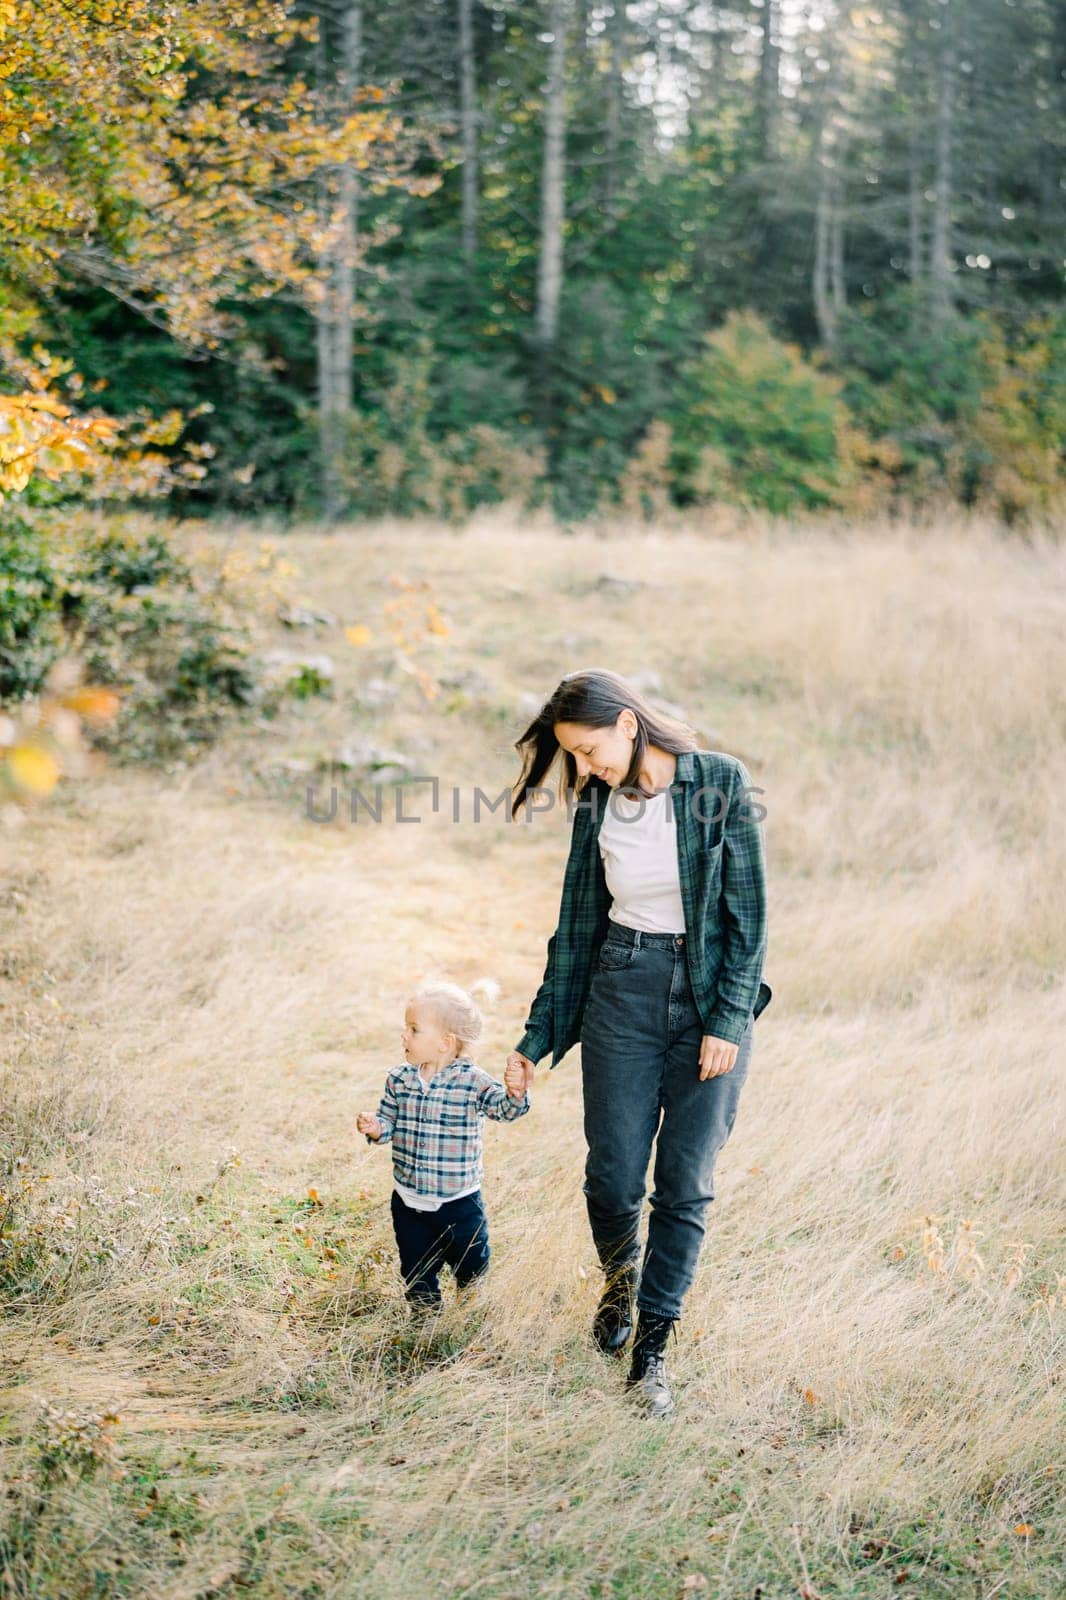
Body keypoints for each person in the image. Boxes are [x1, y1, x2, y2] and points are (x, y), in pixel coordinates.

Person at [506, 669, 772, 1419]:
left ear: (629, 724)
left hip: (708, 994)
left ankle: (651, 1350)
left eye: (590, 751)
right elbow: (578, 926)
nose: (584, 770)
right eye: (575, 759)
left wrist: (726, 1020)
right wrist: (535, 1036)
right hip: (621, 986)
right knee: (614, 1177)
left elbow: (748, 917)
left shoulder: (718, 781)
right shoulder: (597, 803)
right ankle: (619, 1286)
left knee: (685, 1182)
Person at [358, 981, 530, 1319]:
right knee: (415, 1267)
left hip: (458, 1203)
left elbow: (503, 1110)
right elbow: (388, 1122)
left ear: (444, 1043)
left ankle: (468, 1308)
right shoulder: (399, 1079)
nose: (404, 1036)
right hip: (408, 1200)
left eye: (414, 1029)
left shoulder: (472, 1081)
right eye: (405, 1028)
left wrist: (516, 1094)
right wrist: (376, 1128)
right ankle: (425, 1319)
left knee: (470, 1264)